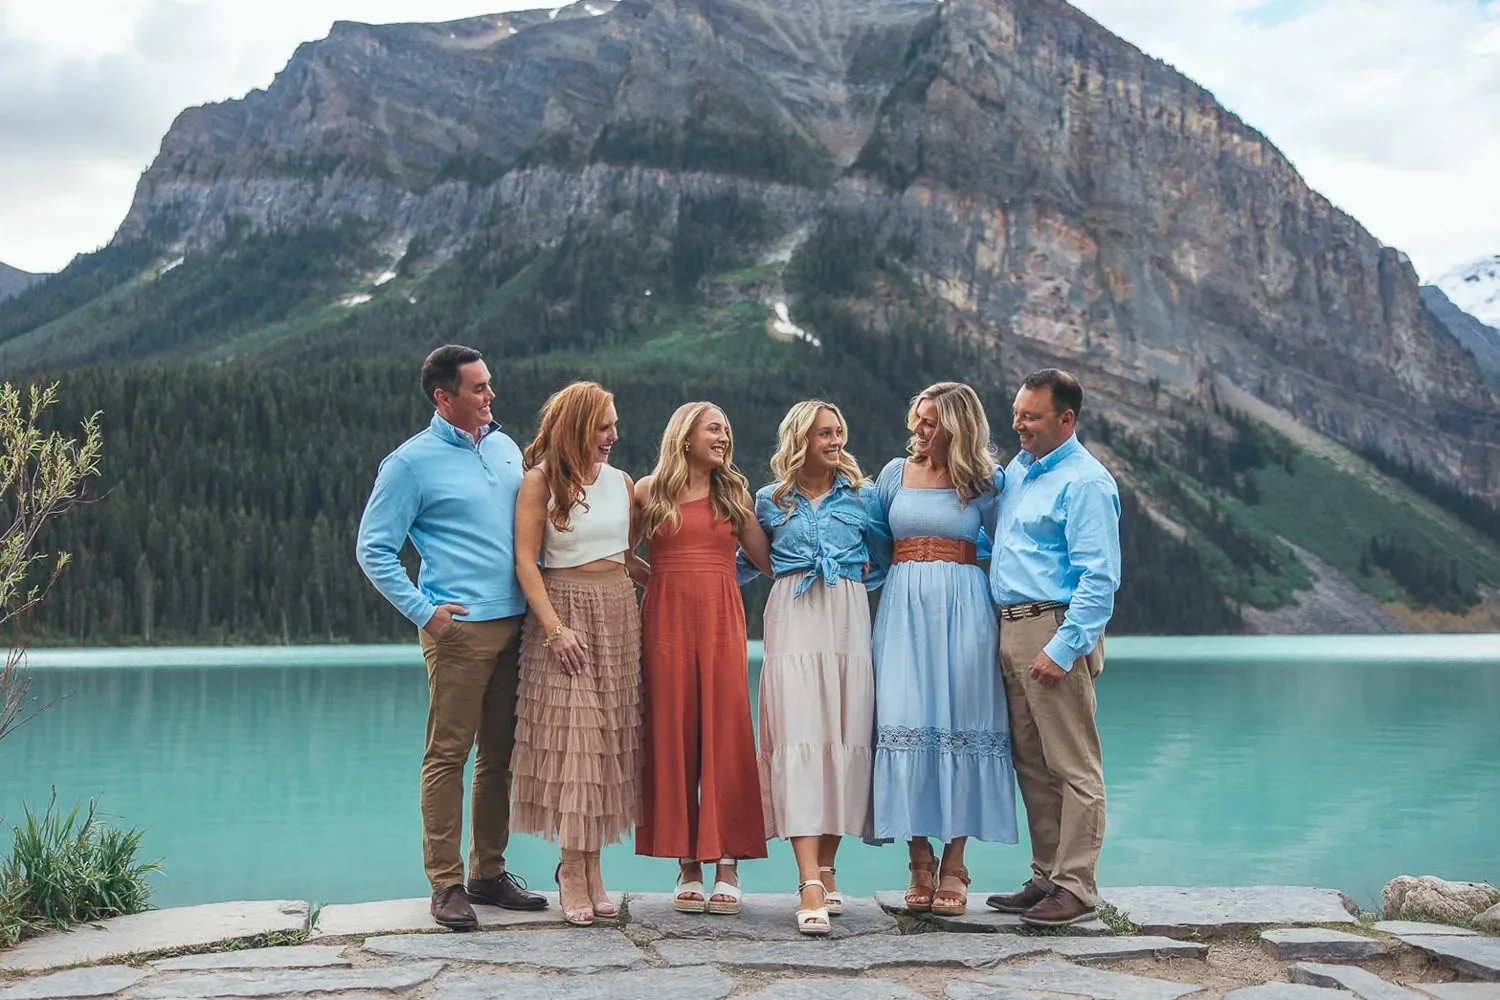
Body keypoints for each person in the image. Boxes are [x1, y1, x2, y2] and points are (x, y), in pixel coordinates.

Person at [355, 344, 547, 930]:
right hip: (458, 633)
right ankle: (446, 885)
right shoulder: (409, 464)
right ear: (444, 398)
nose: (491, 396)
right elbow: (374, 549)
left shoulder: (507, 448)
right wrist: (425, 612)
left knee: (499, 757)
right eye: (479, 388)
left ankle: (489, 873)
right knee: (448, 755)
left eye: (490, 384)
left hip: (518, 627)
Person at [869, 381, 1018, 918]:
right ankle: (917, 859)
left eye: (929, 422)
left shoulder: (985, 482)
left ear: (957, 426)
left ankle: (955, 863)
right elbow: (872, 543)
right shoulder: (892, 474)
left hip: (965, 610)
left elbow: (1007, 551)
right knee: (903, 722)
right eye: (917, 420)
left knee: (963, 723)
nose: (918, 431)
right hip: (903, 611)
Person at [508, 381, 650, 927]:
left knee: (608, 743)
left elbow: (626, 556)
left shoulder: (621, 482)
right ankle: (571, 868)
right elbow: (526, 563)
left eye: (614, 425)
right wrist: (554, 629)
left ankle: (594, 869)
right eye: (603, 426)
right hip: (562, 614)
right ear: (575, 427)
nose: (613, 436)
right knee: (575, 742)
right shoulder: (538, 481)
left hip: (618, 613)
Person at [741, 400, 882, 936]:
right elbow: (742, 564)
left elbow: (885, 558)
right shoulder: (769, 501)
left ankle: (827, 864)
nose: (835, 441)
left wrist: (855, 586)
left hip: (847, 618)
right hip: (794, 615)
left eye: (839, 432)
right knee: (800, 737)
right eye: (825, 433)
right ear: (801, 438)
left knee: (845, 739)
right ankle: (808, 882)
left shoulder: (865, 498)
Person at [985, 368, 1120, 927]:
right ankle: (1047, 876)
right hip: (1011, 626)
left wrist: (1064, 648)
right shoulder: (1020, 470)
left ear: (1066, 419)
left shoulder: (1086, 482)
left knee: (1073, 765)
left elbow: (1099, 578)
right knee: (1034, 765)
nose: (1018, 424)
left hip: (1052, 627)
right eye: (1017, 412)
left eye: (1031, 416)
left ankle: (1077, 888)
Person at [634, 401, 773, 915]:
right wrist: (664, 581)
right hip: (665, 625)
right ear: (685, 435)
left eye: (727, 429)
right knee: (674, 734)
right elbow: (622, 555)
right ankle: (687, 863)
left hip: (721, 623)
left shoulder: (733, 494)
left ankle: (727, 863)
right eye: (714, 428)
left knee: (725, 734)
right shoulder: (648, 491)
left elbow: (769, 562)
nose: (723, 436)